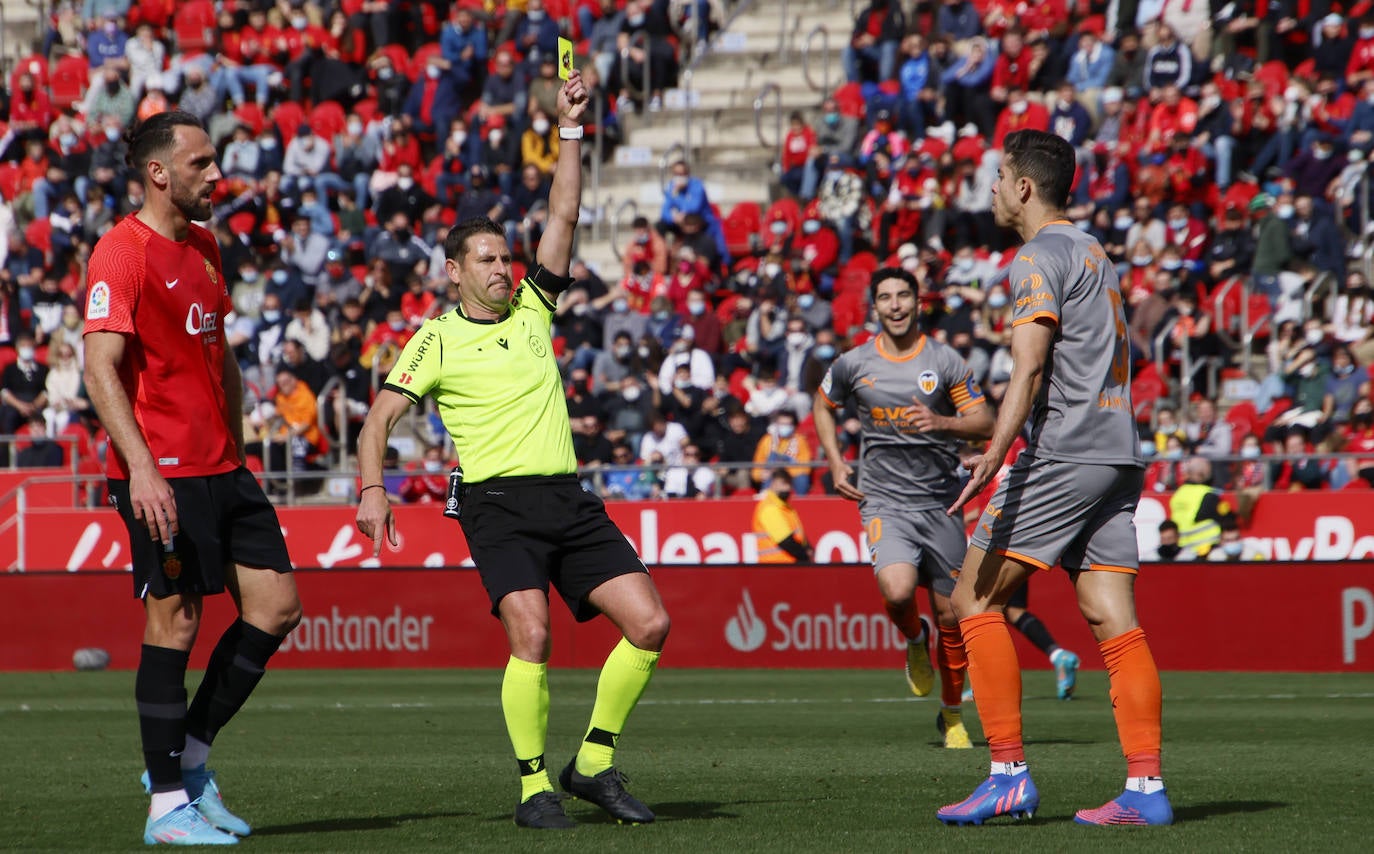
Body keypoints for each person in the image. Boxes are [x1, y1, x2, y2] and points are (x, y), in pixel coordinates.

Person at [354, 71, 668, 832]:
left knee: (651, 625)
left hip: (567, 496)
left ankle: (591, 763)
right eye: (486, 260)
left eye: (505, 257)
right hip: (496, 502)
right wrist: (372, 487)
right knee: (532, 634)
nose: (503, 267)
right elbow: (378, 420)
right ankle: (534, 789)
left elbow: (565, 210)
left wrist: (569, 128)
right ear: (454, 270)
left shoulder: (534, 308)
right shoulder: (435, 338)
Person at [938, 130, 1172, 827]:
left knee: (970, 601)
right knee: (1110, 615)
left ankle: (1007, 772)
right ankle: (1146, 790)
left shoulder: (1037, 257)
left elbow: (1030, 365)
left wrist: (994, 452)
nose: (992, 190)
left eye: (998, 177)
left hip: (1065, 451)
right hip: (1118, 451)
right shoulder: (1095, 251)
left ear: (1023, 187)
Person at [82, 111, 301, 846]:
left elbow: (221, 352)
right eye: (202, 164)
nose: (216, 175)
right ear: (158, 173)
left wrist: (238, 438)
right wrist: (141, 468)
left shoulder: (205, 244)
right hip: (162, 474)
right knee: (174, 623)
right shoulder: (120, 253)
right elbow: (99, 368)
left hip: (223, 465)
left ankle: (189, 765)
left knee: (276, 607)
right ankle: (165, 810)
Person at [813, 267, 994, 750]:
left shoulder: (944, 360)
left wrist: (940, 422)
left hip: (941, 501)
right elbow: (822, 403)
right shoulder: (854, 363)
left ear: (918, 303)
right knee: (896, 591)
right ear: (875, 307)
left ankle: (953, 715)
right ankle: (915, 641)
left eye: (903, 296)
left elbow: (985, 423)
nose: (895, 305)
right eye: (885, 298)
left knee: (952, 618)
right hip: (884, 500)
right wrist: (834, 461)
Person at [1169, 456, 1234, 558]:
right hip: (1206, 549)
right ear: (1201, 474)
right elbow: (1228, 518)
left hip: (1182, 549)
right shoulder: (1208, 495)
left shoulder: (1178, 493)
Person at [752, 468, 813, 563]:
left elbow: (799, 535)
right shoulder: (769, 508)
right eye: (783, 483)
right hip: (775, 565)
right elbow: (786, 542)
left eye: (789, 484)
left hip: (786, 564)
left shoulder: (786, 507)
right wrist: (805, 557)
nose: (787, 488)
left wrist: (807, 547)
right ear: (773, 484)